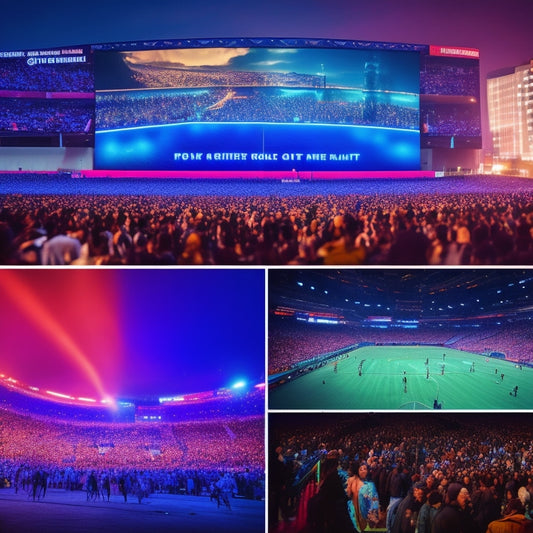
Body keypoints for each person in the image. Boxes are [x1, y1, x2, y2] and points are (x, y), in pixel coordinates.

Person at [346, 461, 379, 532]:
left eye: (365, 469)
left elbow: (348, 495)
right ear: (357, 471)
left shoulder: (351, 481)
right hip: (357, 516)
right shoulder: (364, 485)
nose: (363, 471)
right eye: (361, 469)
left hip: (359, 517)